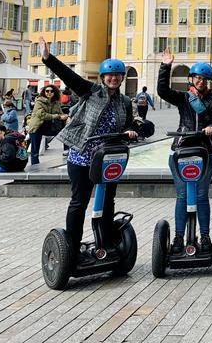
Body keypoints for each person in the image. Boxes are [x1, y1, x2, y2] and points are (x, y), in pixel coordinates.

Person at [38, 35, 138, 258]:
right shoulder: (91, 91)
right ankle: (72, 247)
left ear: (122, 78)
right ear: (103, 77)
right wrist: (48, 58)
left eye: (117, 75)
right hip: (83, 156)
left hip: (109, 159)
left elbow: (131, 123)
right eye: (109, 75)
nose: (113, 78)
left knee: (107, 201)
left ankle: (106, 242)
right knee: (79, 201)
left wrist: (134, 130)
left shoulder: (124, 102)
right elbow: (70, 76)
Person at [158, 50, 212, 254]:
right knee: (181, 196)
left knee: (202, 195)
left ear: (209, 81)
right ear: (192, 79)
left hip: (205, 152)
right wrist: (165, 67)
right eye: (197, 77)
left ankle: (204, 237)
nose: (201, 81)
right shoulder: (184, 98)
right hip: (181, 151)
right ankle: (179, 237)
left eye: (204, 78)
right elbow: (162, 91)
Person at [27, 85, 68, 165]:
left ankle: (67, 151)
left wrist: (66, 117)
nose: (49, 93)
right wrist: (57, 116)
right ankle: (34, 169)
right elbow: (42, 115)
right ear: (44, 92)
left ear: (54, 92)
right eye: (47, 91)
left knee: (66, 132)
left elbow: (60, 113)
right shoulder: (39, 101)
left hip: (50, 127)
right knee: (35, 152)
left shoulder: (56, 102)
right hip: (37, 127)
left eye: (51, 91)